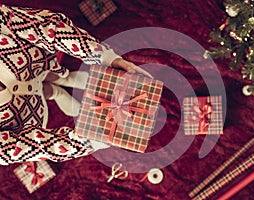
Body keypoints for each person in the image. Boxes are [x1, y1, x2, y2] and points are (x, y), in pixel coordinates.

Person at [0, 4, 147, 165]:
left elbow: (47, 28)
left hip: (40, 63)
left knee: (56, 75)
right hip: (29, 114)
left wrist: (104, 56)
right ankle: (56, 92)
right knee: (50, 91)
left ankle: (64, 79)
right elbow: (34, 148)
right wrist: (91, 139)